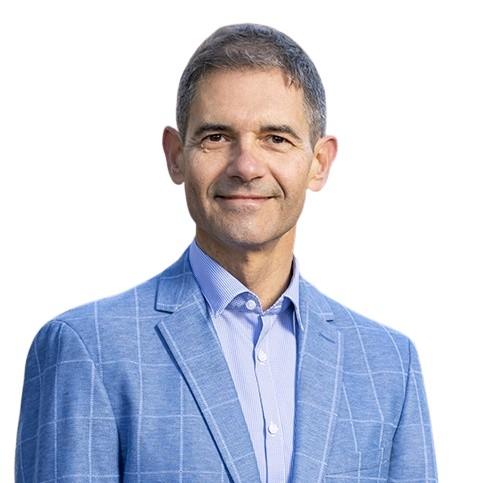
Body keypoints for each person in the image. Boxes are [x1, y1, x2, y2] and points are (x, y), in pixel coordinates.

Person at [15, 23, 437, 483]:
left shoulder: (388, 364)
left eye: (276, 138)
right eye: (216, 137)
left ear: (319, 163)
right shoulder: (87, 349)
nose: (246, 166)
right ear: (176, 155)